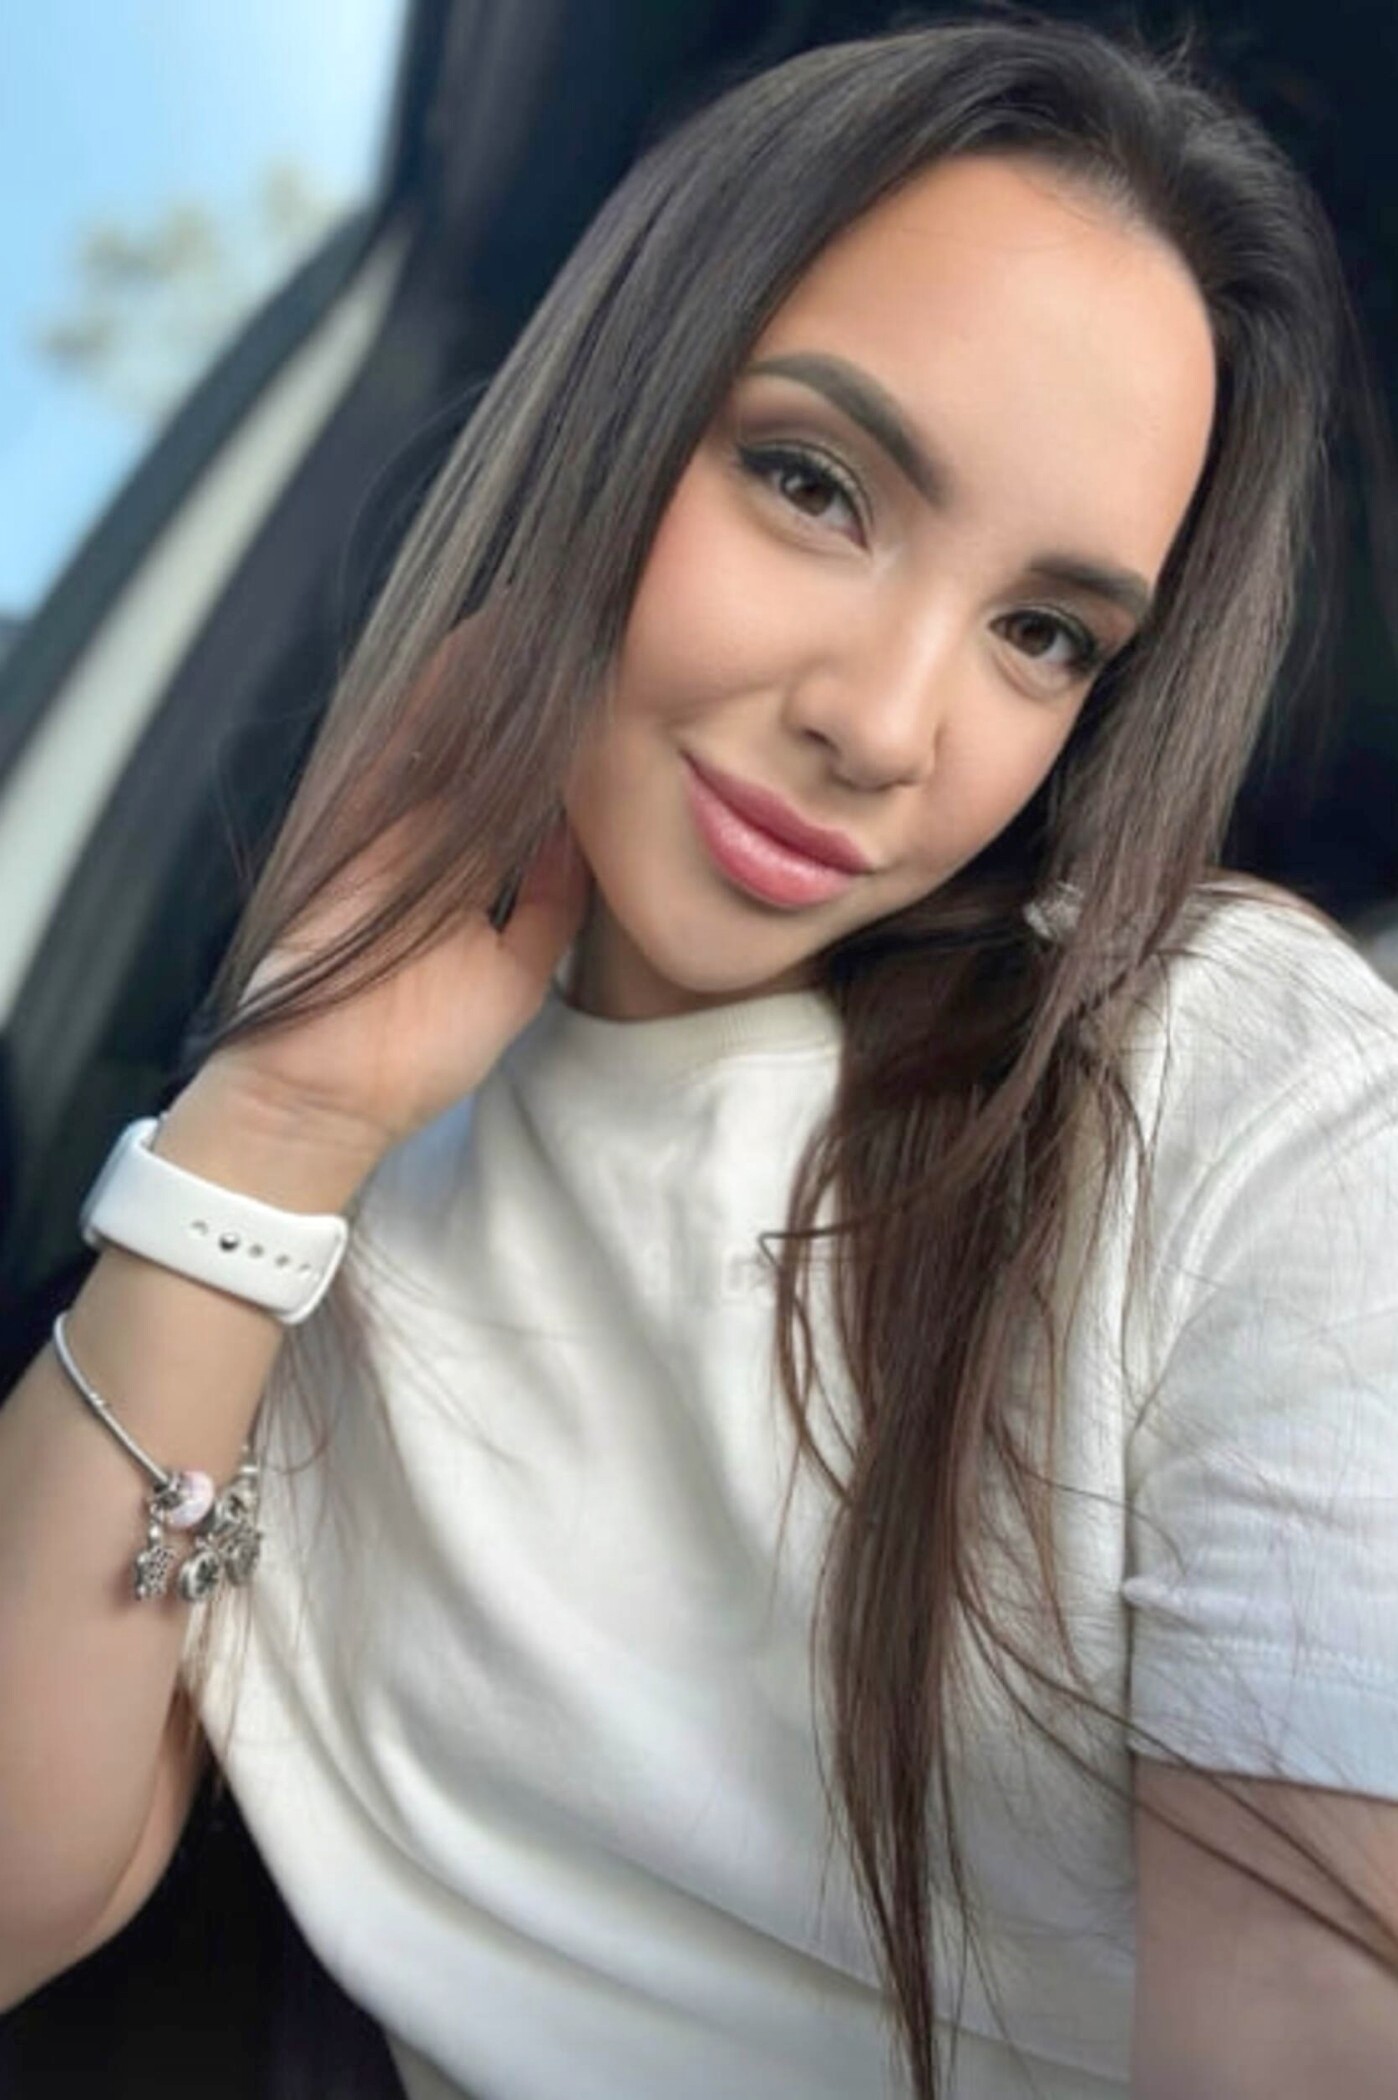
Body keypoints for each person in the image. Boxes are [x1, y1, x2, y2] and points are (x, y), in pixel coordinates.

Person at [2, 14, 1396, 2098]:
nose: (888, 723)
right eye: (813, 484)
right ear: (609, 429)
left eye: (1044, 635)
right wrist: (285, 1115)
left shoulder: (1238, 1086)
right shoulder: (333, 1191)